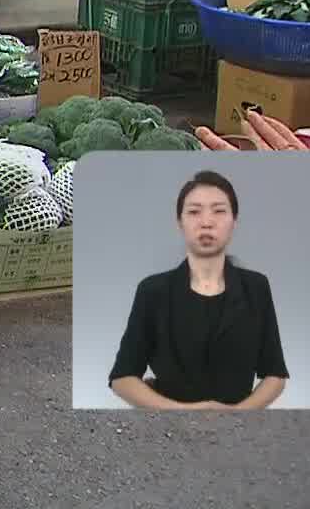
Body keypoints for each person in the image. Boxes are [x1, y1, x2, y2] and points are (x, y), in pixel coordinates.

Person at [107, 170, 288, 410]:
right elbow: (123, 378)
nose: (206, 222)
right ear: (180, 222)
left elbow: (275, 374)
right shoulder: (153, 291)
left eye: (219, 211)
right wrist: (184, 412)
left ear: (234, 221)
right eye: (194, 212)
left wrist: (238, 413)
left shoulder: (256, 288)